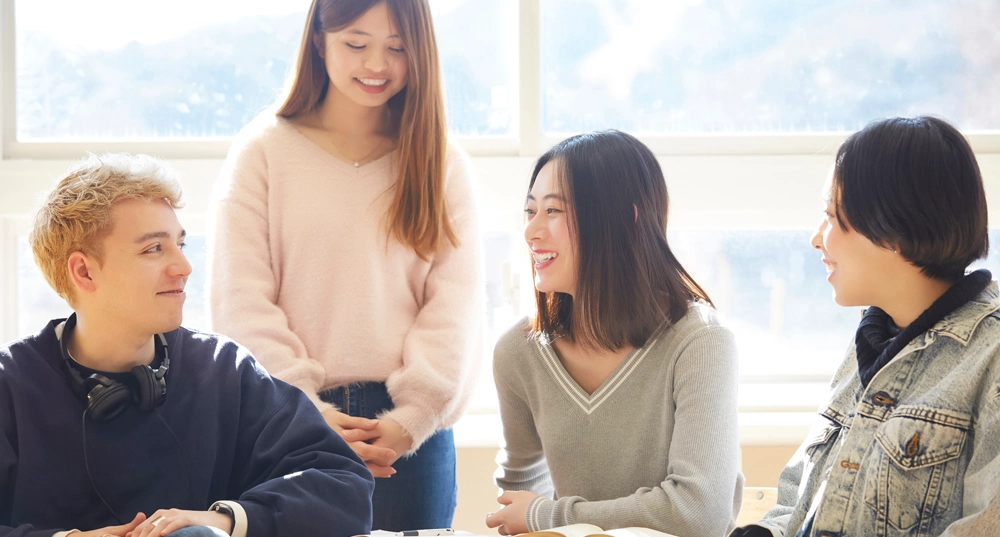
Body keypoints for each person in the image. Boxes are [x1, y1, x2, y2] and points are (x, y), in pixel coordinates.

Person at [206, 0, 484, 530]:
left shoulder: (441, 161)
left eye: (398, 47)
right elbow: (239, 299)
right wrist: (303, 412)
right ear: (318, 39)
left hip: (408, 438)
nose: (377, 64)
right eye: (356, 43)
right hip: (285, 418)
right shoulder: (262, 152)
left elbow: (457, 304)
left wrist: (414, 416)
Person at [0, 154, 374, 537]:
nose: (184, 266)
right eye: (153, 249)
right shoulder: (9, 385)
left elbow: (344, 487)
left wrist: (224, 520)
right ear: (83, 271)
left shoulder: (223, 370)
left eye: (179, 244)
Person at [731, 116, 1000, 537]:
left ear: (893, 231)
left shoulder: (991, 357)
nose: (817, 239)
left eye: (834, 218)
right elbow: (796, 506)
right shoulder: (874, 338)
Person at [485, 130, 744, 537]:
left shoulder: (701, 342)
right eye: (530, 211)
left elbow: (699, 514)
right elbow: (519, 502)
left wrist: (549, 516)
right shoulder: (517, 353)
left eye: (552, 211)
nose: (531, 231)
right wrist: (534, 518)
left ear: (627, 218)